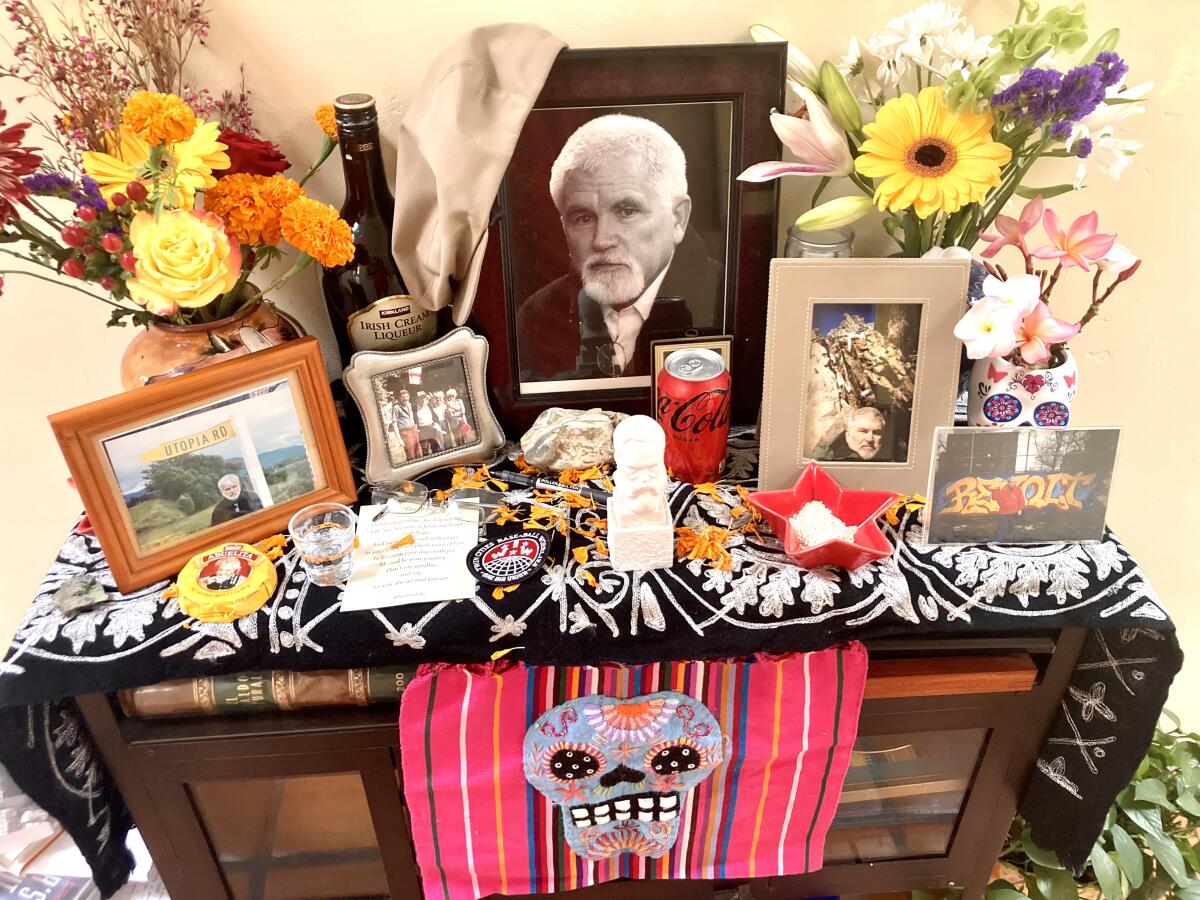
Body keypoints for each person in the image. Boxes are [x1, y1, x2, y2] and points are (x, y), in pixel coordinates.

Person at [516, 114, 722, 380]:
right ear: (564, 226)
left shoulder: (728, 300)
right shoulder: (537, 317)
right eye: (583, 218)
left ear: (678, 219)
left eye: (626, 211)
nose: (601, 240)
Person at [816, 408, 887, 462]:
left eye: (876, 433)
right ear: (848, 436)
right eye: (863, 431)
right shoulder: (834, 465)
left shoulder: (892, 466)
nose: (869, 439)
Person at [390, 389, 420, 461]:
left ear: (409, 397)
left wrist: (416, 428)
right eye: (403, 397)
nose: (405, 398)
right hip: (405, 433)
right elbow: (394, 424)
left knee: (418, 453)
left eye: (406, 396)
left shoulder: (410, 405)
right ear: (399, 398)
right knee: (410, 455)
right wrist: (399, 439)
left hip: (414, 431)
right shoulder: (396, 408)